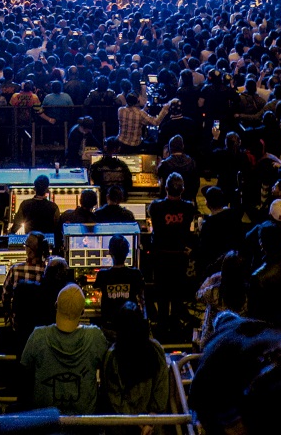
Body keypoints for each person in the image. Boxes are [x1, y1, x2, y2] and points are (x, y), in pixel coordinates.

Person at [18, 284, 109, 413]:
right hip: (85, 422)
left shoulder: (38, 337)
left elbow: (24, 375)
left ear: (56, 306)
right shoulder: (95, 337)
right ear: (82, 312)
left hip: (47, 421)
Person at [99, 302, 173, 414]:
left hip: (123, 425)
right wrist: (151, 418)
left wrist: (136, 420)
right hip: (151, 425)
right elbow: (161, 388)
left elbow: (114, 397)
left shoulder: (112, 356)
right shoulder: (155, 349)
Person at [147, 172, 197, 328]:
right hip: (179, 255)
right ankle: (175, 323)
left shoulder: (155, 206)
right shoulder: (189, 207)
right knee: (177, 292)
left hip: (161, 254)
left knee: (162, 292)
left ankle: (162, 323)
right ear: (182, 189)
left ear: (165, 188)